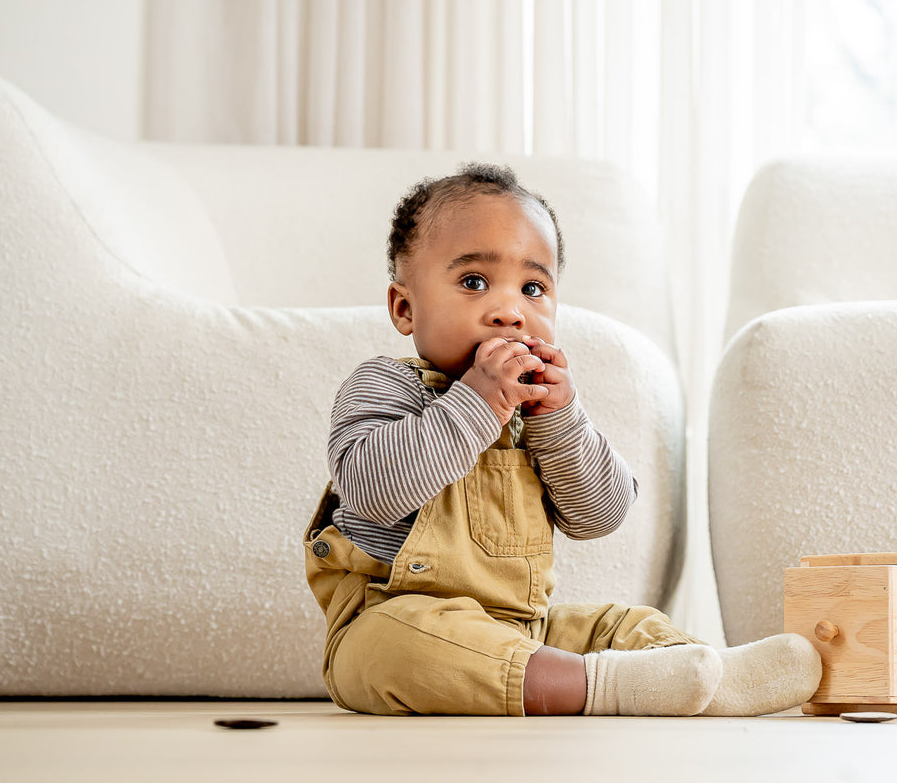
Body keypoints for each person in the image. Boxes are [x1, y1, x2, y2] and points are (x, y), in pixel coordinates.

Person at [303, 162, 821, 716]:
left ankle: (705, 677)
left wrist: (561, 419)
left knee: (625, 622)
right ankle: (612, 688)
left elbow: (601, 515)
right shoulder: (384, 386)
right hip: (393, 614)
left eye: (533, 288)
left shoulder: (539, 414)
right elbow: (372, 490)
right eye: (474, 281)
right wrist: (478, 403)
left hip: (526, 629)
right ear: (404, 307)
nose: (510, 311)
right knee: (396, 647)